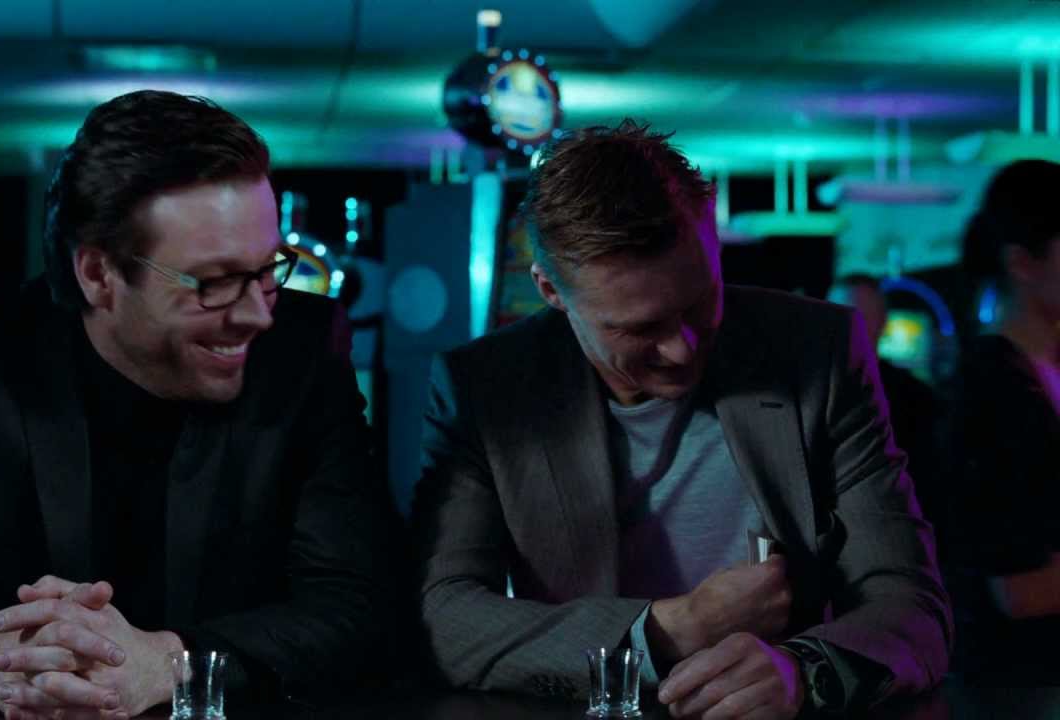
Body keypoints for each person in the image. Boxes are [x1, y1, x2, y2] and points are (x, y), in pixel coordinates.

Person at [0, 90, 397, 719]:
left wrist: (171, 663)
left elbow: (367, 611)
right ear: (97, 274)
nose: (257, 314)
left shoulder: (302, 351)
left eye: (269, 269)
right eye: (216, 281)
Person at [412, 120, 951, 718]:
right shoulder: (487, 387)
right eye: (639, 328)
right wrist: (671, 628)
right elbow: (443, 620)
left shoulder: (818, 350)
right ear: (551, 291)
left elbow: (912, 605)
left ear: (713, 239)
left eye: (700, 302)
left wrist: (804, 671)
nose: (683, 348)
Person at [950, 159, 1060, 684]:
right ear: (1022, 263)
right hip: (1019, 680)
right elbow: (1017, 590)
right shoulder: (991, 388)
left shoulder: (1040, 372)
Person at [839, 274, 946, 545]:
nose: (851, 328)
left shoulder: (916, 398)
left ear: (883, 322)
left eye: (862, 317)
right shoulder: (801, 392)